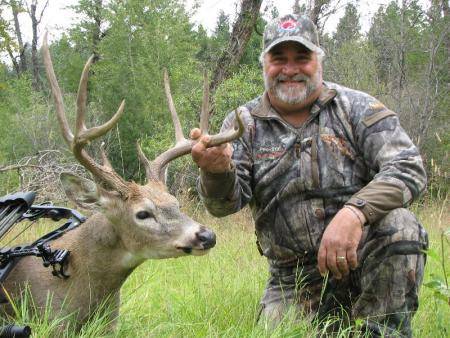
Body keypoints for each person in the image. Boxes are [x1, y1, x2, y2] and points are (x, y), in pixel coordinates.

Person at [191, 14, 428, 337]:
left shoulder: (357, 108)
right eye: (279, 59)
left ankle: (383, 331)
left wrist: (354, 213)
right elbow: (223, 207)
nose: (290, 69)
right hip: (293, 280)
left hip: (361, 261)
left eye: (302, 58)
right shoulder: (242, 124)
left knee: (401, 225)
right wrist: (216, 173)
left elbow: (409, 167)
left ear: (318, 60)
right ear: (264, 64)